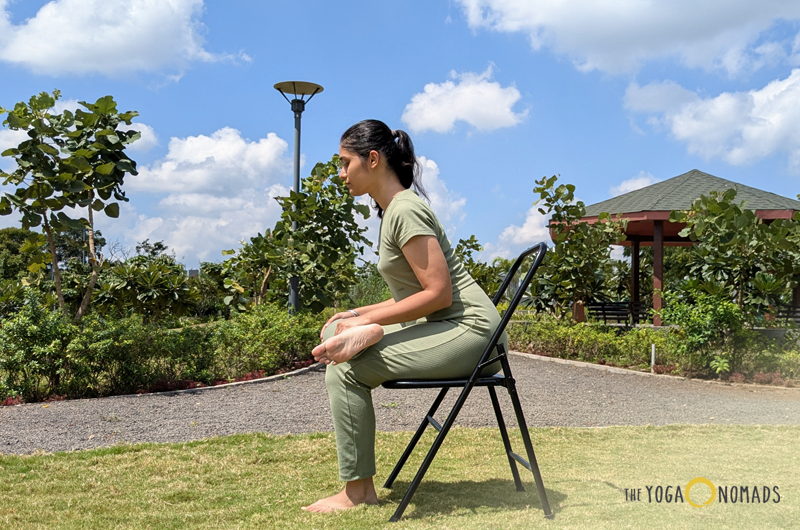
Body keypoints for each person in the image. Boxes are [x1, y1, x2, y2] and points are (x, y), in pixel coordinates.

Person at [302, 119, 507, 513]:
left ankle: (357, 493)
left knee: (346, 370)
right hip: (454, 327)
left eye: (345, 163)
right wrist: (356, 313)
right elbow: (418, 295)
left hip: (472, 332)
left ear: (373, 159)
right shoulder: (394, 210)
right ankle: (367, 331)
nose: (341, 174)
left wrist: (365, 322)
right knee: (347, 351)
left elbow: (438, 293)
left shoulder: (405, 210)